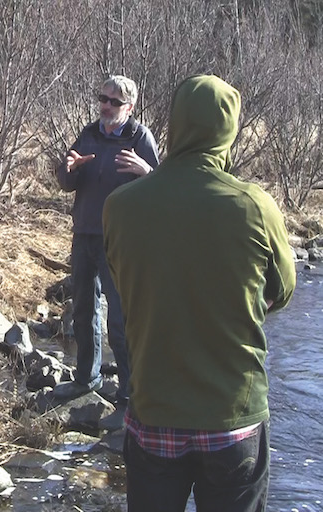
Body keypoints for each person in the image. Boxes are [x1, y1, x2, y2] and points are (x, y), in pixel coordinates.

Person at [103, 75, 296, 511]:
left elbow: (122, 278)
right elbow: (282, 291)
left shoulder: (121, 205)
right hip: (233, 415)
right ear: (228, 132)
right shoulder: (253, 205)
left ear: (175, 125)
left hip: (154, 409)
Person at [53, 75, 159, 410]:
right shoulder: (89, 133)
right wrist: (67, 167)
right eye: (103, 98)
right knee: (83, 309)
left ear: (129, 106)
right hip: (83, 231)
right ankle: (87, 377)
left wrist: (145, 170)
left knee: (120, 316)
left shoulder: (140, 137)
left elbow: (161, 187)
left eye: (114, 101)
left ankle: (129, 391)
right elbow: (67, 182)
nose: (106, 106)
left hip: (120, 238)